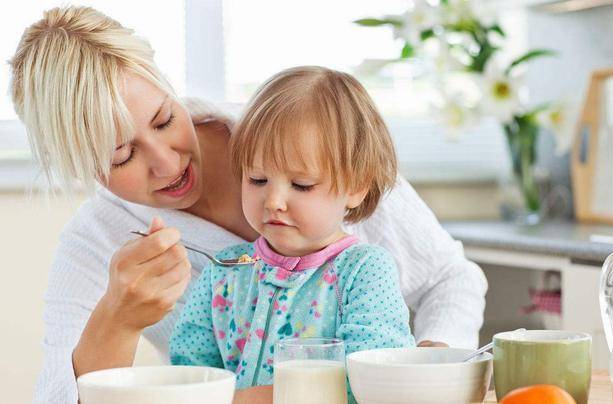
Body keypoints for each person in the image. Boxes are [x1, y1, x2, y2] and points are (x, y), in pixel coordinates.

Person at [9, 6, 487, 404]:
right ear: (80, 165)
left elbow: (449, 278)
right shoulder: (97, 241)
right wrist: (117, 317)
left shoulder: (313, 133)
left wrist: (421, 373)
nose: (165, 162)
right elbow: (60, 395)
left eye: (162, 119)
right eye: (121, 155)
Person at [169, 66, 416, 402]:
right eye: (257, 179)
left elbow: (376, 382)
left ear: (357, 187)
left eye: (301, 185)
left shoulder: (364, 272)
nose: (273, 201)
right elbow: (190, 370)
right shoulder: (225, 270)